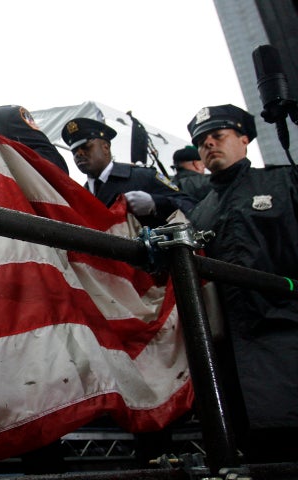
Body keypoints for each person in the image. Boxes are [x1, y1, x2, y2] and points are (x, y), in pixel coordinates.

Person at [187, 104, 298, 462]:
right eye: (202, 142)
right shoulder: (200, 211)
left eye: (218, 136)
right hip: (233, 355)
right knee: (255, 454)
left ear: (244, 139)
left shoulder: (283, 182)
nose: (209, 145)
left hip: (287, 336)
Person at [61, 117, 196, 227]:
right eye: (74, 151)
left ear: (105, 147)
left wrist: (155, 203)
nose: (79, 153)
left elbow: (190, 206)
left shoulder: (142, 176)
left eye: (86, 147)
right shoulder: (81, 195)